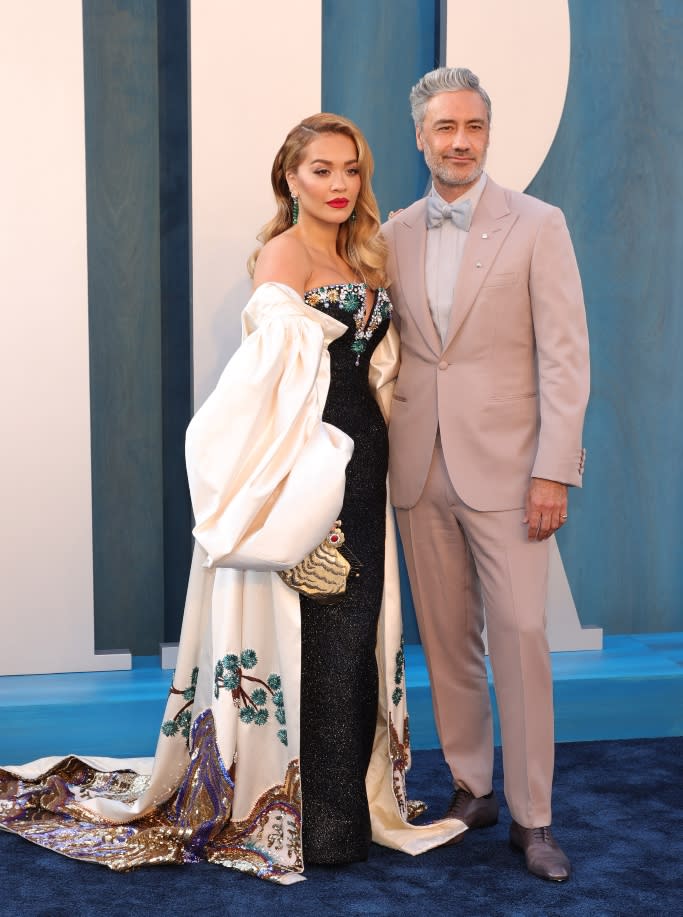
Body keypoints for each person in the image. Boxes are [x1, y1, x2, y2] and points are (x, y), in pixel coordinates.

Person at [0, 113, 462, 884]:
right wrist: (288, 498)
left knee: (349, 635)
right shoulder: (282, 253)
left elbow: (379, 369)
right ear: (288, 177)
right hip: (312, 464)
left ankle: (342, 813)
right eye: (320, 169)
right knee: (313, 629)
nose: (340, 184)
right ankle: (308, 821)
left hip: (364, 460)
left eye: (350, 169)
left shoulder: (359, 252)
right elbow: (263, 394)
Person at [382, 68, 590, 883]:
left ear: (487, 133)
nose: (458, 140)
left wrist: (554, 473)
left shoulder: (539, 224)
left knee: (520, 638)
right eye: (443, 127)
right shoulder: (393, 229)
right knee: (445, 643)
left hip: (513, 475)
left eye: (471, 125)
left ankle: (534, 818)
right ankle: (472, 787)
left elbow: (565, 358)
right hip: (418, 467)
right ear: (421, 137)